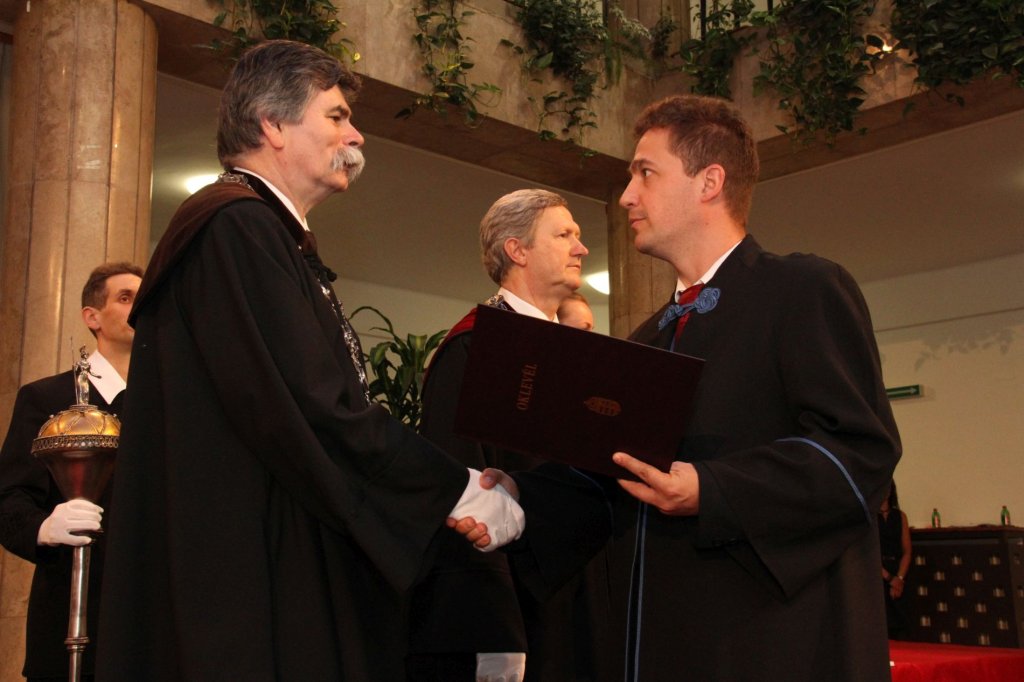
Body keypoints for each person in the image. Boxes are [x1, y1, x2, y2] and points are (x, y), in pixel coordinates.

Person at [95, 40, 523, 682]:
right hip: (249, 572)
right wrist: (452, 488)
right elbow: (312, 406)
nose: (355, 135)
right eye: (336, 115)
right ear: (273, 124)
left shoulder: (260, 231)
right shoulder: (237, 227)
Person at [461, 94, 902, 681]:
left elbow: (859, 452)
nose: (627, 196)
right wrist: (519, 496)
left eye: (645, 173)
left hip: (770, 641)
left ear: (709, 182)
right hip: (662, 643)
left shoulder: (801, 289)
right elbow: (612, 475)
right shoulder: (649, 336)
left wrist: (710, 489)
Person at [409, 189, 599, 682]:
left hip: (577, 599)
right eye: (564, 235)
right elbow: (462, 498)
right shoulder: (475, 348)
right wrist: (497, 636)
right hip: (511, 614)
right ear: (517, 250)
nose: (581, 248)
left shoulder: (577, 354)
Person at [0, 262, 143, 682]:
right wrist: (44, 528)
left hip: (149, 614)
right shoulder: (47, 396)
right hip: (74, 607)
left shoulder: (170, 402)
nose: (138, 308)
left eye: (144, 299)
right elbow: (8, 498)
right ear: (91, 317)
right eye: (125, 298)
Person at [879, 481, 912, 639]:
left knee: (901, 620)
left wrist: (899, 578)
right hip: (878, 572)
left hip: (897, 569)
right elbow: (868, 553)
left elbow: (907, 551)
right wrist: (889, 578)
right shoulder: (869, 518)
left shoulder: (900, 516)